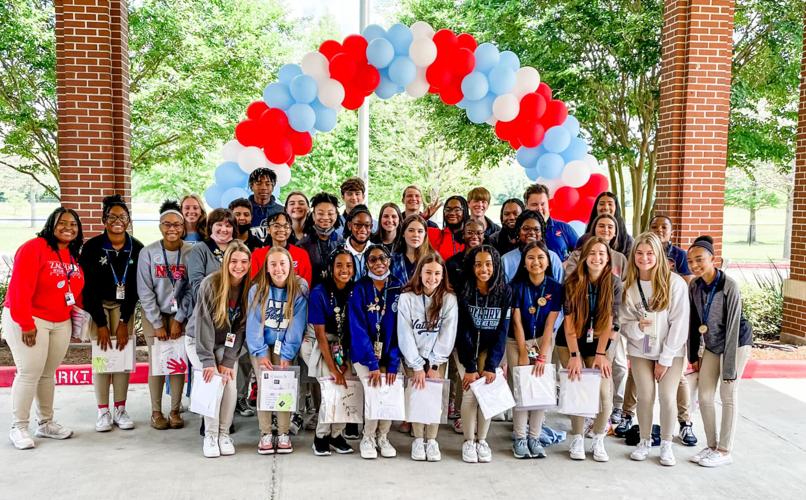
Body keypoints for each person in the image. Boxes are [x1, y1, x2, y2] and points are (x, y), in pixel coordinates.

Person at [3, 207, 85, 449]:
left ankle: (45, 423)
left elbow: (74, 290)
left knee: (48, 373)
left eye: (73, 224)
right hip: (30, 319)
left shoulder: (71, 254)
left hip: (60, 321)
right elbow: (19, 289)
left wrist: (81, 318)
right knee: (29, 372)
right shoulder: (34, 248)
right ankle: (18, 427)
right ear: (51, 224)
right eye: (63, 223)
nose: (68, 227)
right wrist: (26, 323)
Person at [617, 215, 697, 445]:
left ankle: (666, 445)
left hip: (671, 351)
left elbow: (680, 324)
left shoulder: (675, 284)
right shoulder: (628, 287)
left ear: (658, 255)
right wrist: (637, 328)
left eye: (650, 253)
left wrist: (665, 358)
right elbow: (622, 322)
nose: (644, 258)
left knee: (667, 396)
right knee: (645, 396)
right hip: (640, 350)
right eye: (639, 253)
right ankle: (644, 442)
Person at [686, 236, 752, 468]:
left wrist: (730, 367)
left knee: (727, 394)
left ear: (713, 259)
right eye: (691, 261)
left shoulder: (728, 286)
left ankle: (725, 449)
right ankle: (712, 445)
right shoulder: (694, 286)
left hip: (735, 344)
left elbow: (733, 326)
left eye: (700, 260)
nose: (694, 265)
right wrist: (693, 356)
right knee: (704, 397)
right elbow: (694, 322)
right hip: (712, 344)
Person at [79, 195, 143, 433]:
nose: (118, 221)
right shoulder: (93, 247)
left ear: (128, 220)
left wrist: (125, 321)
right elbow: (88, 289)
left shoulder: (137, 247)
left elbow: (135, 289)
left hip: (123, 308)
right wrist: (101, 324)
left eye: (122, 217)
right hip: (99, 308)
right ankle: (103, 410)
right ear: (104, 219)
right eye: (112, 216)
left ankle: (120, 408)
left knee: (122, 361)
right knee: (103, 359)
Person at [556, 236, 623, 462]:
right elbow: (569, 321)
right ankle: (576, 436)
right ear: (584, 257)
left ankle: (598, 437)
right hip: (571, 339)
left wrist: (601, 354)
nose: (596, 258)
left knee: (604, 392)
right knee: (578, 387)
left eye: (601, 254)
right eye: (592, 253)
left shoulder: (614, 283)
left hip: (601, 340)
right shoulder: (573, 281)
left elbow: (611, 321)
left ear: (608, 259)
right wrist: (575, 355)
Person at [185, 241, 250, 458]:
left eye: (243, 261)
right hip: (199, 342)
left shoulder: (248, 287)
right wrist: (208, 362)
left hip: (225, 344)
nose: (238, 266)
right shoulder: (210, 283)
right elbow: (203, 324)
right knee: (212, 382)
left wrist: (229, 361)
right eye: (233, 261)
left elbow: (240, 328)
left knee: (229, 382)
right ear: (225, 262)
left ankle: (224, 433)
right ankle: (210, 435)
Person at [245, 246, 309, 455]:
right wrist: (260, 351)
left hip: (285, 345)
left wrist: (287, 353)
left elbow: (297, 323)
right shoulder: (258, 288)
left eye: (283, 263)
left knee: (283, 387)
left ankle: (283, 432)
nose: (278, 268)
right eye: (273, 264)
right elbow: (253, 324)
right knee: (265, 386)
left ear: (291, 266)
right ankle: (265, 433)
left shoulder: (299, 287)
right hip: (262, 344)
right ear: (266, 268)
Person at [136, 200, 193, 430]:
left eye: (177, 225)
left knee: (178, 363)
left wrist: (179, 319)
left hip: (181, 316)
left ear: (183, 227)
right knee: (157, 363)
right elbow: (144, 289)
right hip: (155, 315)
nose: (172, 229)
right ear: (160, 226)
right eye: (167, 224)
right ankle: (156, 411)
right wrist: (157, 323)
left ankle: (175, 410)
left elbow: (191, 288)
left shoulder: (192, 252)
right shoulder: (148, 252)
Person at [397, 253, 458, 462]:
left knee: (433, 398)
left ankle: (431, 439)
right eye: (428, 272)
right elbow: (404, 333)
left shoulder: (449, 299)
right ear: (420, 273)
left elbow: (447, 334)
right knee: (416, 396)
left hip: (437, 361)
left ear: (443, 276)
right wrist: (416, 365)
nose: (432, 277)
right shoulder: (406, 297)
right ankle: (417, 438)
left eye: (437, 273)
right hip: (413, 358)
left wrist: (433, 363)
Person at [456, 245, 512, 463]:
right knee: (470, 393)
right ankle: (469, 441)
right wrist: (470, 368)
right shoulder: (464, 290)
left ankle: (482, 440)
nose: (483, 269)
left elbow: (502, 331)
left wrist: (491, 366)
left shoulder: (505, 291)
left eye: (488, 264)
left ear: (495, 266)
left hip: (489, 348)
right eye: (478, 264)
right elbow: (462, 332)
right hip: (466, 348)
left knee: (487, 391)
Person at [507, 241, 563, 459]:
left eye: (541, 257)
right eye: (530, 257)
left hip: (543, 340)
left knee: (540, 390)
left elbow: (550, 324)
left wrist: (542, 355)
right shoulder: (515, 287)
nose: (536, 262)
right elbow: (517, 322)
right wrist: (522, 351)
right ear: (524, 263)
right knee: (522, 388)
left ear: (548, 261)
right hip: (516, 341)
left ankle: (535, 436)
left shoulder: (555, 288)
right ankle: (520, 437)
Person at [348, 245, 404, 459]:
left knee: (388, 390)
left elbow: (402, 329)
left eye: (383, 258)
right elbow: (357, 328)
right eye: (373, 260)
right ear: (367, 263)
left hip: (390, 354)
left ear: (389, 260)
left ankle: (383, 436)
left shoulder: (398, 287)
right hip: (364, 356)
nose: (379, 263)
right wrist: (372, 364)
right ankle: (368, 436)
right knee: (374, 390)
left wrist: (392, 363)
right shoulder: (359, 288)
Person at [307, 248, 356, 456]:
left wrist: (344, 362)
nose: (344, 269)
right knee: (331, 387)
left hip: (343, 345)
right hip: (320, 343)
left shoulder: (355, 290)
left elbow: (354, 328)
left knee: (347, 388)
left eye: (348, 265)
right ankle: (321, 436)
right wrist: (334, 368)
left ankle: (336, 435)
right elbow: (319, 335)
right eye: (339, 265)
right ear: (330, 268)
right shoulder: (319, 292)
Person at [186, 209, 238, 314]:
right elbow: (196, 285)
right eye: (219, 224)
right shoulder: (199, 249)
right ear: (210, 226)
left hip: (234, 310)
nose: (224, 229)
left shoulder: (238, 248)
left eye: (228, 226)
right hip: (206, 311)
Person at [250, 211, 313, 287]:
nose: (282, 229)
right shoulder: (257, 255)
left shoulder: (301, 254)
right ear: (268, 229)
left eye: (286, 226)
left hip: (294, 297)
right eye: (276, 226)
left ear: (290, 230)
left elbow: (305, 285)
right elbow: (253, 283)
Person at [501, 210, 563, 283]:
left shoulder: (553, 258)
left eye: (536, 229)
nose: (531, 233)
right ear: (518, 231)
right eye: (526, 229)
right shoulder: (506, 260)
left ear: (541, 234)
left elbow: (560, 288)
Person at [297, 192, 343, 287]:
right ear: (313, 216)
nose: (325, 217)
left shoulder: (342, 243)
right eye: (320, 213)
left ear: (336, 215)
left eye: (330, 213)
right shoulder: (302, 245)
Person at [523, 183, 577, 260]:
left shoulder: (564, 228)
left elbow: (582, 253)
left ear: (548, 205)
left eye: (542, 204)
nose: (539, 208)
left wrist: (568, 265)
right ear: (526, 206)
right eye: (534, 204)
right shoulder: (521, 232)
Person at [650, 215, 693, 283]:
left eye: (664, 227)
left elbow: (688, 281)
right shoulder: (642, 253)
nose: (659, 229)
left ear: (671, 233)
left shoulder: (680, 254)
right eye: (654, 227)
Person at [446, 221, 485, 296]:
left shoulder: (489, 262)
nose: (474, 236)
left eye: (479, 233)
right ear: (463, 235)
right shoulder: (452, 262)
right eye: (470, 232)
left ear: (483, 236)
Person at [390, 214, 431, 285]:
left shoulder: (431, 260)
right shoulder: (392, 260)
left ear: (425, 235)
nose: (416, 235)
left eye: (420, 231)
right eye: (411, 230)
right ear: (403, 233)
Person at [428, 195, 467, 261]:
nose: (452, 213)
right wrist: (424, 217)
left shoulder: (471, 237)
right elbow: (409, 229)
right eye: (448, 209)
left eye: (457, 209)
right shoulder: (435, 234)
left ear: (464, 212)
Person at [248, 168, 285, 233]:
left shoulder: (282, 211)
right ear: (251, 186)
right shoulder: (243, 209)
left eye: (268, 184)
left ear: (273, 187)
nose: (263, 188)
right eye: (258, 183)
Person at [343, 205, 374, 280]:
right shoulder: (338, 253)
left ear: (371, 227)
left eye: (367, 225)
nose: (363, 229)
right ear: (350, 225)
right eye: (357, 225)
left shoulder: (378, 252)